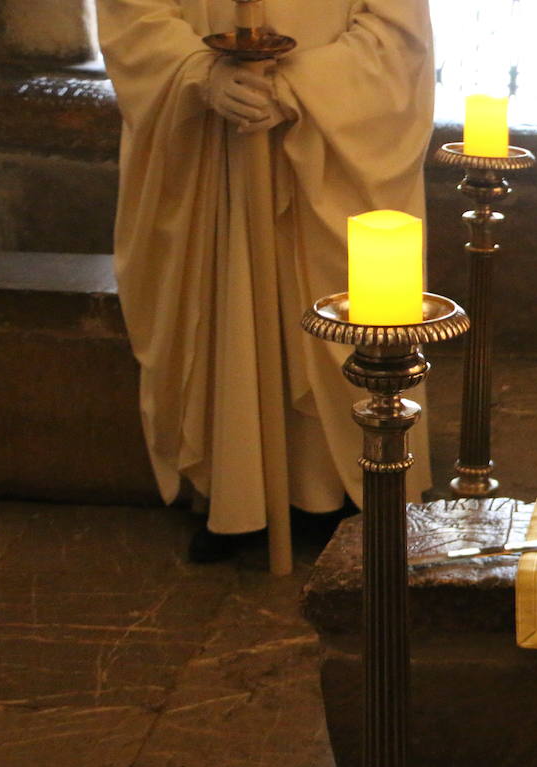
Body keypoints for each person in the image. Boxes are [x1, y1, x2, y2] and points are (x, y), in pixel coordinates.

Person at [98, 0, 436, 560]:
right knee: (229, 301)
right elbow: (134, 17)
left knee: (339, 308)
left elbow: (396, 33)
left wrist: (298, 89)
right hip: (212, 143)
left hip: (335, 149)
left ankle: (353, 488)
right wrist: (199, 73)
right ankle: (241, 495)